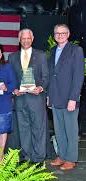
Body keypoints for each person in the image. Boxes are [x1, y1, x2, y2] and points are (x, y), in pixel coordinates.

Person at [9, 28, 49, 164]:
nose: (25, 41)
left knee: (39, 129)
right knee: (23, 130)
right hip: (20, 99)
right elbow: (11, 78)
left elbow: (46, 76)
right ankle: (26, 156)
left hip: (36, 98)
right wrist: (14, 90)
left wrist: (41, 88)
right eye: (23, 38)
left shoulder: (41, 55)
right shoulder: (12, 57)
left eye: (28, 38)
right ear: (19, 40)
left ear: (32, 39)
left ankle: (38, 159)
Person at [48, 24, 85, 170]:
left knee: (70, 129)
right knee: (59, 130)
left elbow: (78, 76)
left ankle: (71, 158)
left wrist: (73, 98)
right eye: (57, 33)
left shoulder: (76, 50)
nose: (60, 35)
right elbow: (52, 75)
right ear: (54, 35)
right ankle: (62, 156)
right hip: (55, 97)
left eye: (63, 33)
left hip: (69, 97)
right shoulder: (52, 51)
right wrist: (49, 97)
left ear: (68, 34)